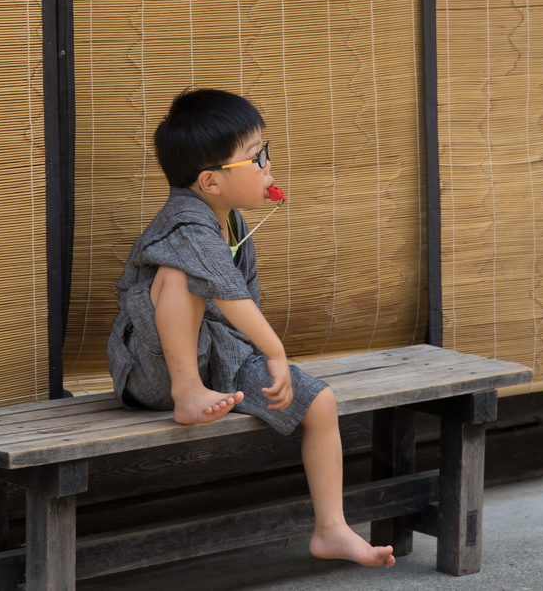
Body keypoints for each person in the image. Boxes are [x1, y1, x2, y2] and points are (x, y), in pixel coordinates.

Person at [107, 89, 395, 568]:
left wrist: (266, 368)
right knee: (180, 274)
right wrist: (275, 352)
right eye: (255, 157)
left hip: (223, 359)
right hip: (155, 372)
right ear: (211, 182)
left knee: (319, 402)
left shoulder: (234, 222)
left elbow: (240, 315)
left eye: (267, 150)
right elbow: (229, 295)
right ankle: (187, 392)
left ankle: (332, 528)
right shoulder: (185, 227)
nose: (268, 165)